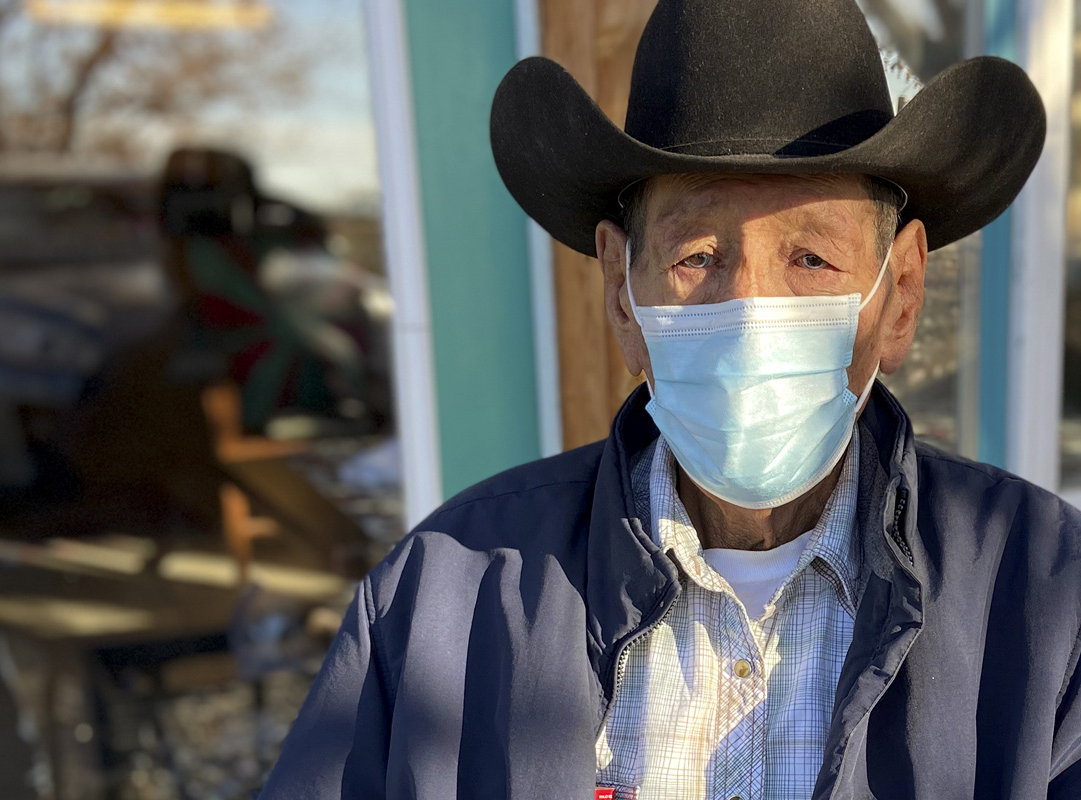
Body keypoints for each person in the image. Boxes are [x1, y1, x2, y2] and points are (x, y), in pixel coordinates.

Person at [262, 0, 1080, 797]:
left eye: (810, 261)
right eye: (696, 256)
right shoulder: (447, 599)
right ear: (623, 295)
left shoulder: (1048, 601)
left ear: (899, 295)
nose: (748, 313)